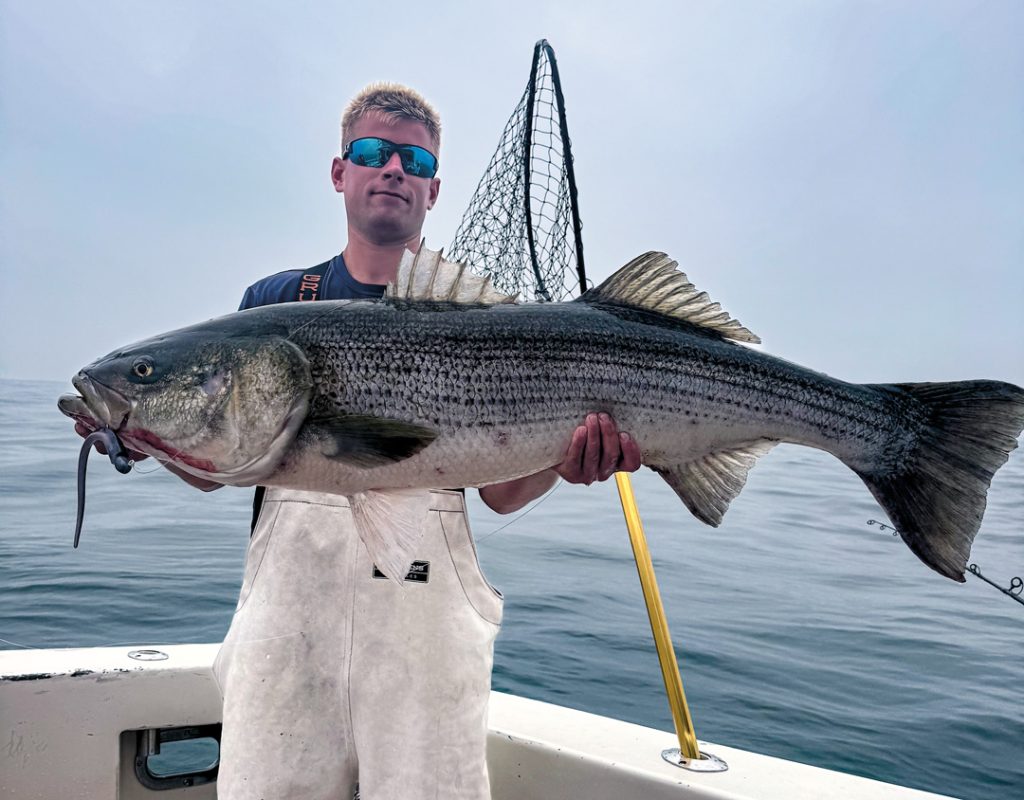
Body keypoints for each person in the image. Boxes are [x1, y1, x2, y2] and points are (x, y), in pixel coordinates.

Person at [75, 82, 641, 799]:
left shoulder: (490, 320)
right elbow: (224, 467)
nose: (394, 168)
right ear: (340, 172)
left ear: (434, 190)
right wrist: (147, 431)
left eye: (415, 160)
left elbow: (501, 493)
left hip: (423, 649)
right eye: (372, 151)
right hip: (288, 645)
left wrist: (566, 460)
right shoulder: (274, 304)